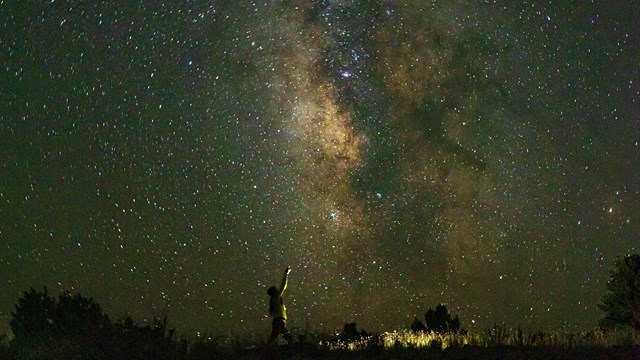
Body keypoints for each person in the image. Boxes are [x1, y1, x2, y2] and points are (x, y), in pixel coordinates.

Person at [267, 266, 292, 345]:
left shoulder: (273, 300)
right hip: (279, 321)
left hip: (278, 320)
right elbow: (283, 286)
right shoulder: (276, 297)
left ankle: (267, 348)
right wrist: (286, 274)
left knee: (275, 336)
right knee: (286, 335)